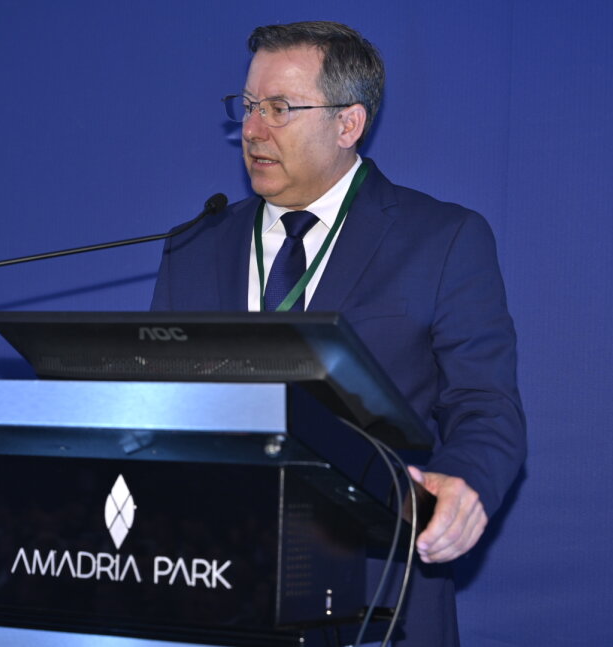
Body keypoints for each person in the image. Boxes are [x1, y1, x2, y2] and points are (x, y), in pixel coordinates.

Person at [151, 21, 526, 645]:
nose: (252, 130)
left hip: (375, 584)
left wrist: (464, 482)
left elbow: (485, 403)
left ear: (348, 124)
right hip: (208, 583)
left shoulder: (441, 239)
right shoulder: (195, 244)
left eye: (278, 108)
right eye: (247, 106)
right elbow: (156, 403)